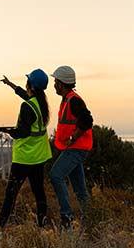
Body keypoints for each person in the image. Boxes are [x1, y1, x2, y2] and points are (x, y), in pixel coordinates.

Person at [0, 69, 52, 228]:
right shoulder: (40, 103)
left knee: (11, 193)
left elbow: (23, 132)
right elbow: (22, 93)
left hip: (24, 158)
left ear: (30, 85)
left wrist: (7, 131)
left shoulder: (27, 106)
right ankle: (42, 224)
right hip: (39, 156)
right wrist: (10, 84)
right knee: (39, 192)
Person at [49, 65, 93, 229]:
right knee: (80, 189)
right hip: (75, 148)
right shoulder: (68, 99)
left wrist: (73, 137)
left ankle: (66, 217)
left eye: (55, 81)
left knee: (56, 175)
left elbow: (87, 120)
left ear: (61, 83)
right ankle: (90, 219)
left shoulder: (73, 100)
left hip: (77, 148)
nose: (54, 84)